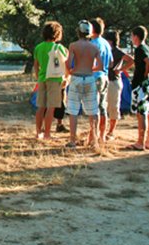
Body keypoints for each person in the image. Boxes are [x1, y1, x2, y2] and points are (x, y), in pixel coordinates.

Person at [65, 20, 103, 150]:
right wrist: (90, 69)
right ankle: (94, 141)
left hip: (76, 78)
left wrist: (71, 71)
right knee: (93, 111)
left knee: (73, 111)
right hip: (89, 78)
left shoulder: (73, 46)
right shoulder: (95, 47)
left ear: (78, 31)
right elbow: (101, 66)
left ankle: (72, 141)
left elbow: (69, 64)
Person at [33, 21, 68, 141]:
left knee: (41, 107)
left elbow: (36, 65)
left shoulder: (38, 47)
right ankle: (47, 134)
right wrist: (66, 78)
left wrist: (38, 78)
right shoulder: (59, 47)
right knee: (51, 108)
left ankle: (38, 133)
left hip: (42, 79)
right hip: (55, 79)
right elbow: (65, 64)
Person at [102, 30, 134, 141]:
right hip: (105, 80)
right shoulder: (105, 50)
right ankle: (103, 130)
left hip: (114, 82)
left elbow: (131, 60)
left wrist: (120, 70)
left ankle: (111, 131)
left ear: (110, 41)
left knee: (113, 106)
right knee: (103, 106)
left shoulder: (117, 51)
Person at [90, 18, 113, 144]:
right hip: (105, 76)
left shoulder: (93, 44)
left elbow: (93, 62)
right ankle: (102, 136)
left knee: (93, 109)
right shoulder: (106, 43)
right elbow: (111, 62)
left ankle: (93, 138)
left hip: (95, 77)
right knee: (103, 108)